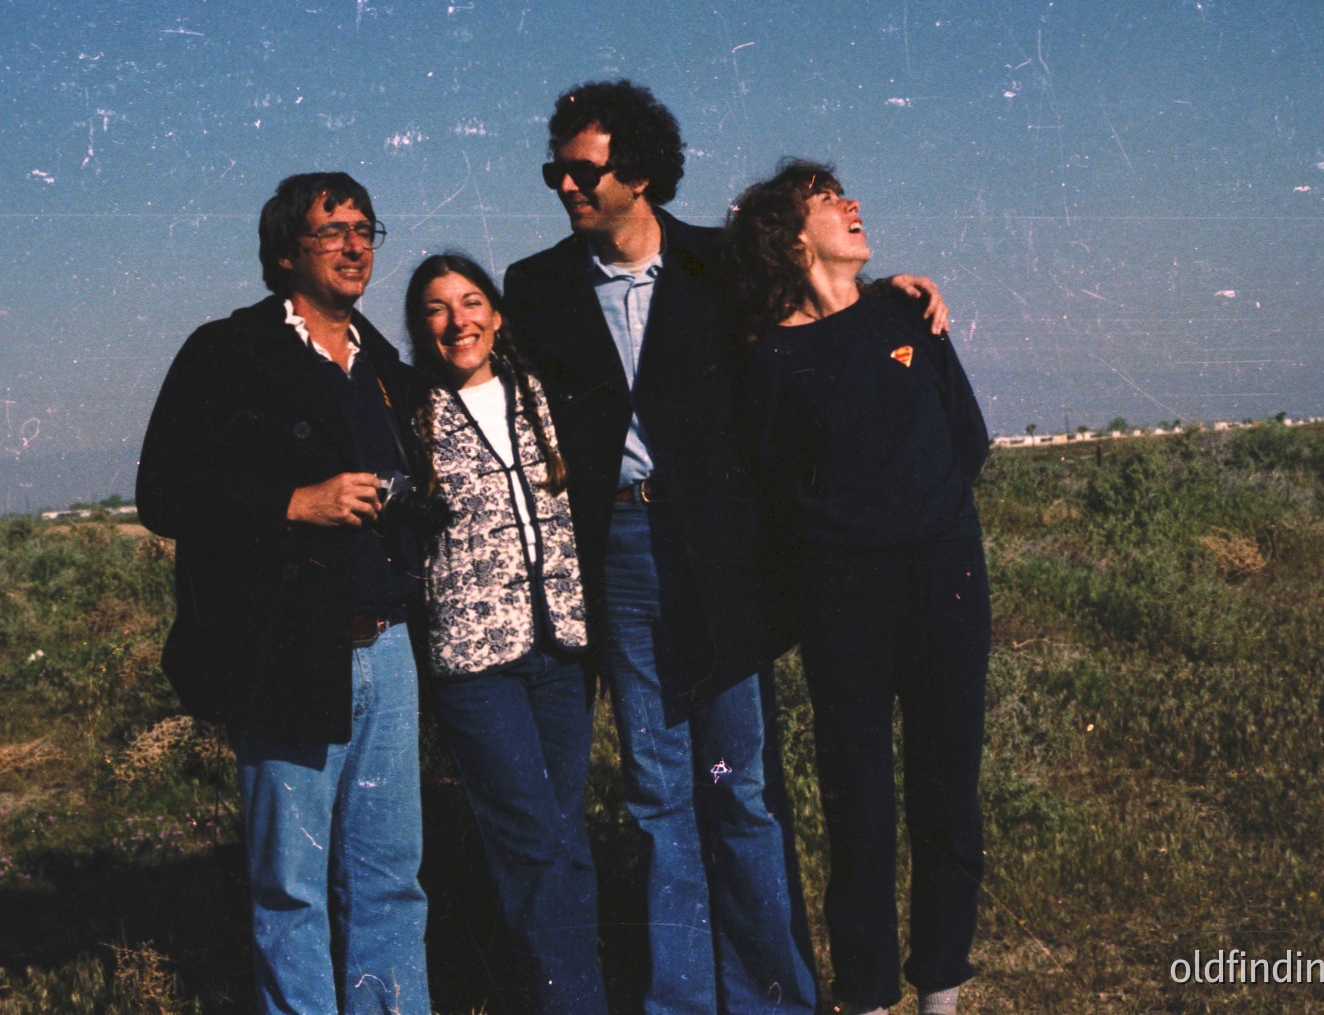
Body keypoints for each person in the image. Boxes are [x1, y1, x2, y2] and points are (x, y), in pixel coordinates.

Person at [503, 80, 948, 1015]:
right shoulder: (536, 288)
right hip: (619, 550)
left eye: (583, 171)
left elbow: (819, 304)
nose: (566, 188)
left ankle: (773, 997)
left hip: (721, 555)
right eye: (556, 172)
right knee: (660, 790)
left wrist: (896, 292)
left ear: (642, 174)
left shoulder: (717, 264)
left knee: (738, 784)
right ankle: (681, 1002)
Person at [137, 172, 437, 1015]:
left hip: (389, 650)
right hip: (289, 654)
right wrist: (290, 505)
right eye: (331, 231)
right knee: (292, 890)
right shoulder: (227, 352)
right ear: (282, 254)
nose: (354, 245)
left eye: (365, 229)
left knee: (391, 880)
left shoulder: (383, 365)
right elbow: (162, 493)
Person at [726, 160, 992, 1015]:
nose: (853, 205)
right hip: (842, 595)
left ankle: (944, 985)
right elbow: (770, 483)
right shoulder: (767, 355)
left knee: (947, 787)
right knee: (860, 803)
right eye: (828, 200)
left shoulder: (907, 314)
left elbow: (968, 440)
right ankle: (870, 993)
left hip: (945, 576)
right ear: (793, 235)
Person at [403, 253, 607, 1015]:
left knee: (565, 838)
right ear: (420, 327)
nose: (458, 321)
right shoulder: (410, 413)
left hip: (561, 649)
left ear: (496, 312)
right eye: (436, 308)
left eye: (471, 301)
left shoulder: (540, 394)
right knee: (529, 842)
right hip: (475, 661)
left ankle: (571, 994)